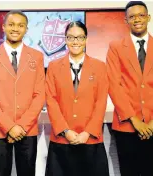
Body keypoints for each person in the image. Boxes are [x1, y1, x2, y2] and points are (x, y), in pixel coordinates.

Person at [0, 10, 45, 176]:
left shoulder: (37, 56)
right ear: (3, 27)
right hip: (0, 128)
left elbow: (39, 95)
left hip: (27, 128)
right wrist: (9, 126)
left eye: (20, 25)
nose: (15, 28)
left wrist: (21, 126)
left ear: (26, 29)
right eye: (11, 24)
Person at [45, 21, 109, 176]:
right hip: (62, 140)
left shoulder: (99, 66)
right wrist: (65, 131)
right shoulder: (53, 66)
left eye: (80, 37)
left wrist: (87, 132)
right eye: (71, 37)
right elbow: (51, 100)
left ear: (86, 39)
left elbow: (101, 102)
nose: (75, 42)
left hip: (90, 139)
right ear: (65, 40)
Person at [107, 1, 153, 176]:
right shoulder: (116, 47)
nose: (137, 20)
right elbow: (114, 85)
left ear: (148, 17)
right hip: (127, 125)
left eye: (141, 15)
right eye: (132, 17)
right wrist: (135, 121)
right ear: (126, 21)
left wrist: (151, 124)